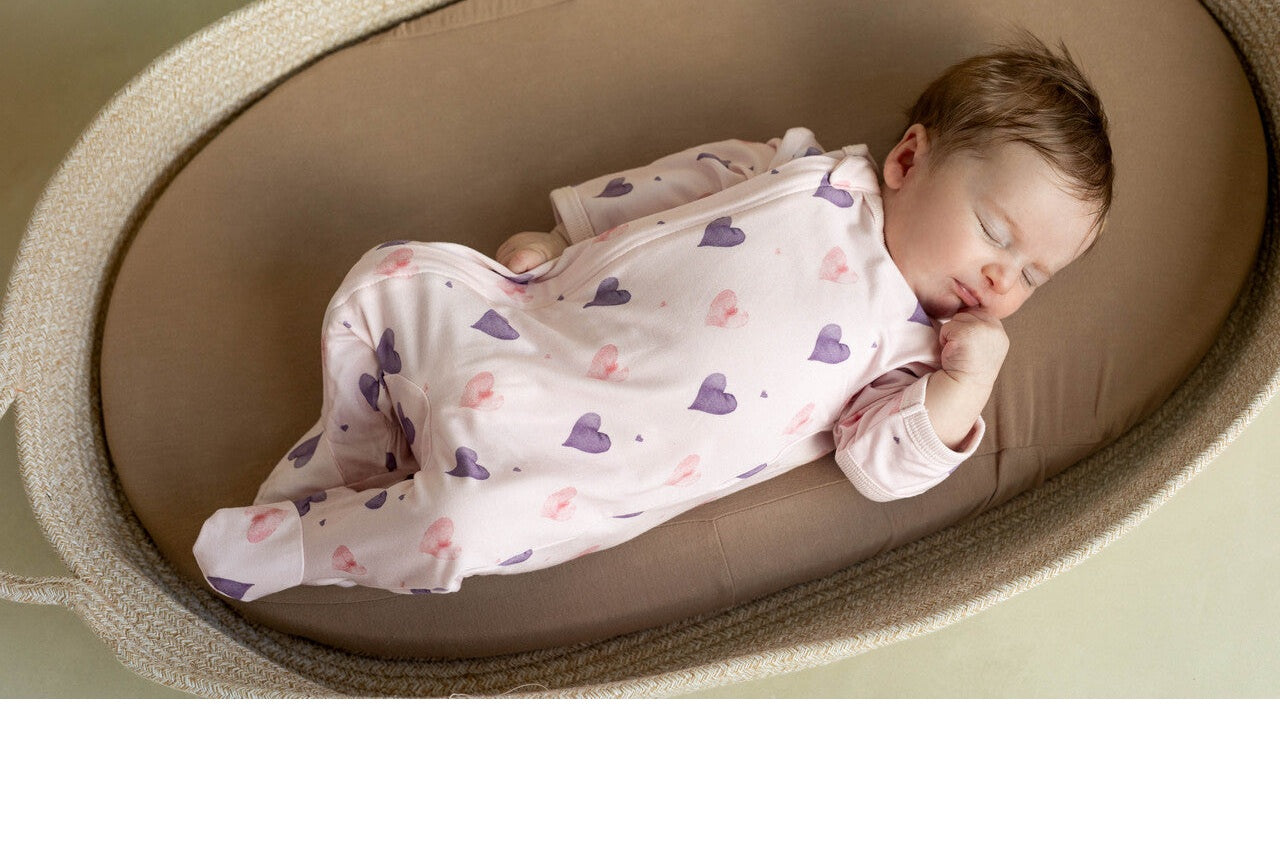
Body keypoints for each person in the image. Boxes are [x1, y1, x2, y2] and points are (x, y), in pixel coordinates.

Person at [193, 32, 1113, 602]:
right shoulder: (806, 175)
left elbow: (883, 465)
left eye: (1035, 275)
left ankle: (307, 542)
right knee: (391, 279)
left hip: (581, 471)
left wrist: (966, 386)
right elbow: (689, 181)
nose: (1002, 278)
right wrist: (564, 233)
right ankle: (345, 458)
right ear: (909, 161)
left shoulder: (917, 354)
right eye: (997, 234)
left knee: (464, 526)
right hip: (536, 332)